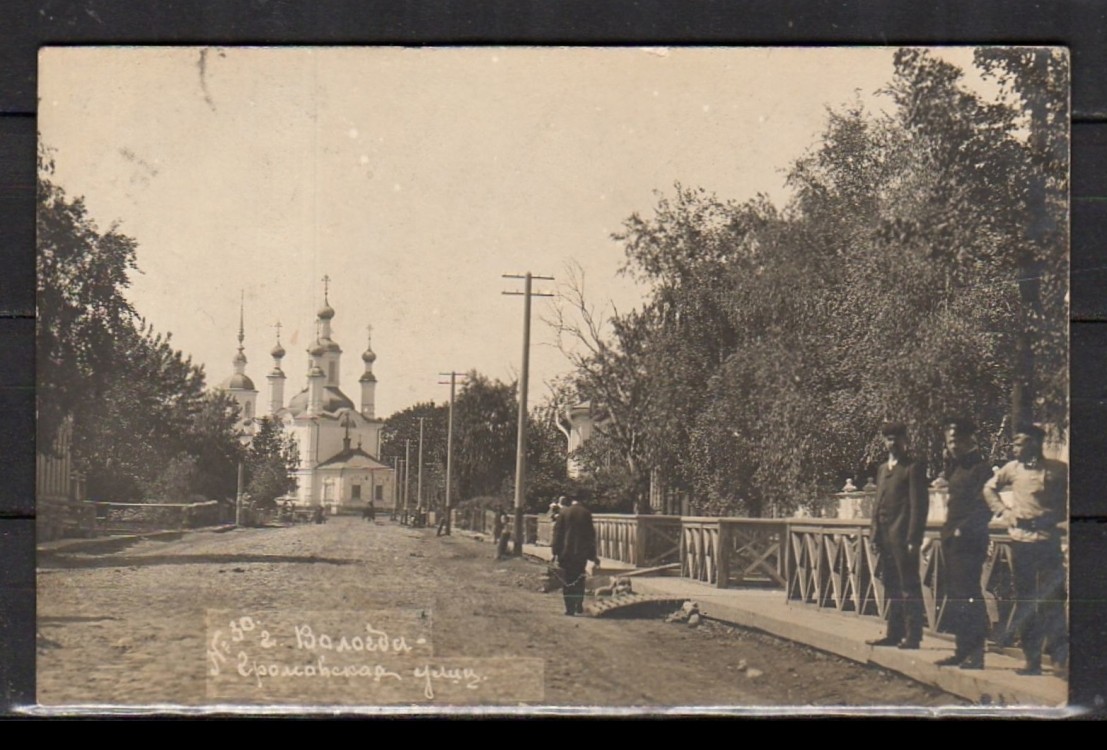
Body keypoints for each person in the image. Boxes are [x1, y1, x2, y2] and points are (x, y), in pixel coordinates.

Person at [983, 423, 1068, 676]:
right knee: (1026, 600)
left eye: (1020, 443)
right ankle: (1032, 660)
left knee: (1053, 600)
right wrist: (1004, 513)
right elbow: (989, 488)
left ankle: (1060, 659)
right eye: (1015, 443)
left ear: (1035, 443)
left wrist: (1059, 519)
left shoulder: (1058, 469)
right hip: (1021, 542)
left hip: (1048, 540)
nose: (1015, 448)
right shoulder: (1012, 469)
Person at [934, 417, 994, 670]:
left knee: (970, 595)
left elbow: (984, 508)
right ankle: (961, 650)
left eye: (957, 439)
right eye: (949, 441)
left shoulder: (982, 468)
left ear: (970, 439)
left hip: (970, 541)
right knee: (956, 595)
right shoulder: (955, 468)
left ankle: (976, 654)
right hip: (951, 541)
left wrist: (962, 530)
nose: (953, 445)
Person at [867, 422, 929, 649]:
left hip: (903, 538)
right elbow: (877, 504)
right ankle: (894, 633)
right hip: (884, 538)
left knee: (908, 586)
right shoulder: (883, 469)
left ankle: (913, 636)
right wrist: (874, 533)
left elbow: (919, 506)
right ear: (884, 442)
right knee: (891, 584)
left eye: (897, 438)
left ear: (905, 440)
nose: (893, 443)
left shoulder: (912, 467)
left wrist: (914, 538)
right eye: (889, 439)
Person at [551, 497, 599, 616]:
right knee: (579, 578)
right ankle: (578, 603)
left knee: (567, 580)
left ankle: (569, 608)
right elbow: (591, 536)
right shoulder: (586, 513)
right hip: (581, 553)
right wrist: (592, 555)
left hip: (565, 553)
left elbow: (557, 533)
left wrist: (555, 551)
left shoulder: (564, 513)